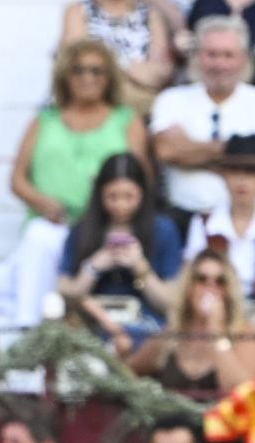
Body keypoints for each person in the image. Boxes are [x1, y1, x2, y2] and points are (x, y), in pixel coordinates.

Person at [0, 38, 147, 327]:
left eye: (96, 71)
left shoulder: (126, 120)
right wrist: (43, 203)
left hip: (104, 230)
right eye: (78, 71)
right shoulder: (45, 120)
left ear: (109, 77)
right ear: (65, 76)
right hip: (54, 227)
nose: (87, 78)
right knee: (38, 238)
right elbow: (17, 180)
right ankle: (30, 333)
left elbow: (139, 179)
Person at [58, 151, 181, 352]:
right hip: (93, 327)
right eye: (112, 197)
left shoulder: (162, 230)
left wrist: (140, 268)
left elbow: (172, 302)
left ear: (142, 193)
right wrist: (93, 267)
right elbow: (65, 291)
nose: (120, 205)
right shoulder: (82, 229)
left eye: (129, 196)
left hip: (146, 327)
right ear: (99, 195)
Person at [151, 16, 255, 239]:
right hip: (181, 218)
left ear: (244, 58)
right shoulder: (172, 99)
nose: (219, 64)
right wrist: (238, 150)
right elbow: (168, 150)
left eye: (228, 55)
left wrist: (192, 153)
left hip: (246, 223)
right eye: (211, 54)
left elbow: (180, 152)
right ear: (197, 56)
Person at [128, 249, 255, 388]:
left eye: (220, 281)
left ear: (228, 291)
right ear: (188, 287)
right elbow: (130, 373)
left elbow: (242, 392)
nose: (210, 286)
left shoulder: (243, 334)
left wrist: (217, 335)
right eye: (201, 279)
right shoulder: (171, 334)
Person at [62, 0, 174, 113]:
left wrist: (112, 64)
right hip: (93, 99)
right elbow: (75, 63)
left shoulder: (151, 15)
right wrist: (130, 68)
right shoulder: (78, 11)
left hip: (139, 105)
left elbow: (160, 74)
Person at [186, 133, 255, 292]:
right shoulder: (203, 224)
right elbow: (191, 283)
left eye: (251, 172)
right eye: (234, 170)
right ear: (223, 174)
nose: (241, 180)